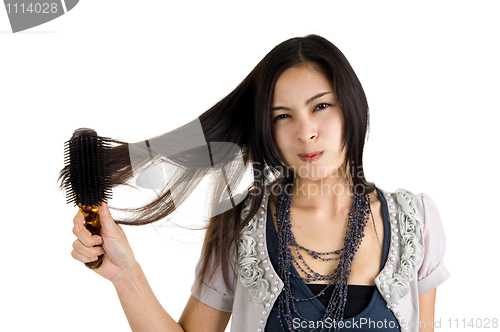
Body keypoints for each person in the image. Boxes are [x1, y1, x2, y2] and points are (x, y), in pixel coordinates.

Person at [70, 35, 450, 332]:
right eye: (283, 116)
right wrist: (126, 275)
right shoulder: (240, 224)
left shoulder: (414, 221)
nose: (306, 133)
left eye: (321, 106)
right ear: (266, 130)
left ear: (351, 106)